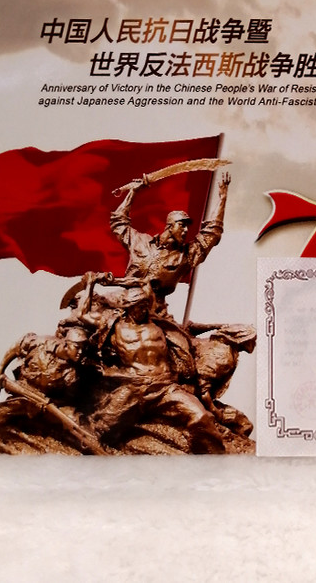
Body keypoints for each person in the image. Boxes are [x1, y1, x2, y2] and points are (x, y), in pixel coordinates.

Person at [88, 286, 225, 454]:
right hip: (134, 387)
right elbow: (82, 316)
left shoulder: (160, 326)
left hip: (165, 387)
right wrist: (90, 285)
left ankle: (214, 461)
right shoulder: (114, 327)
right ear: (128, 306)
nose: (143, 310)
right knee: (103, 427)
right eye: (139, 306)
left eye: (146, 305)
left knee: (201, 417)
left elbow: (184, 342)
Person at [109, 172, 230, 306]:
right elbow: (118, 222)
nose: (186, 230)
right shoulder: (140, 241)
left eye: (187, 227)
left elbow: (212, 232)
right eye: (182, 225)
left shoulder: (187, 255)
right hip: (123, 303)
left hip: (152, 311)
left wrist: (222, 198)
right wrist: (133, 192)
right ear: (170, 227)